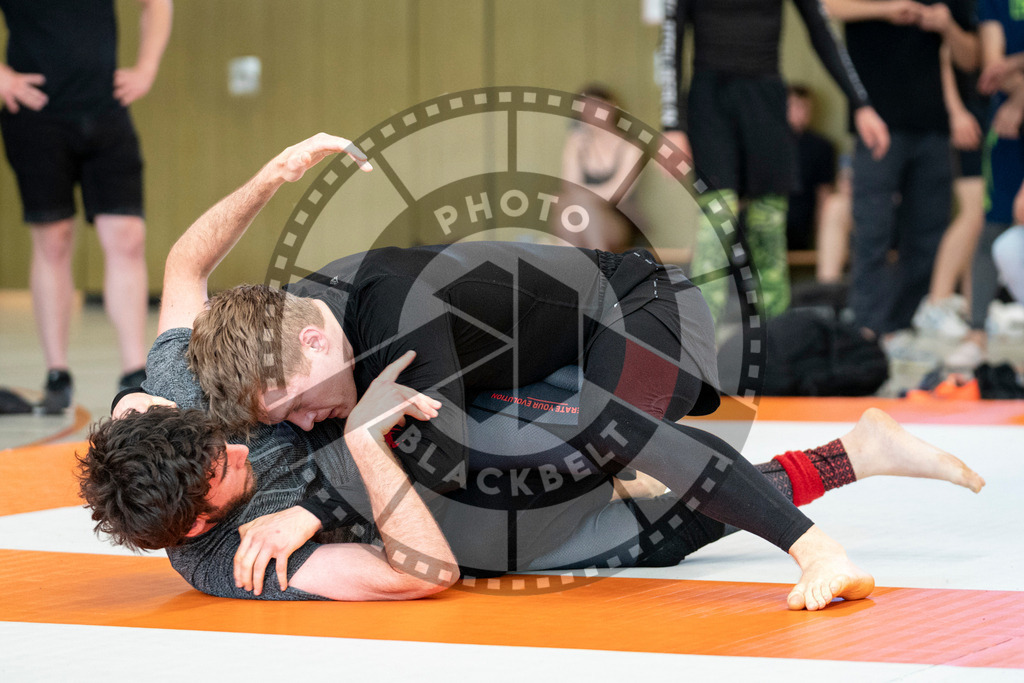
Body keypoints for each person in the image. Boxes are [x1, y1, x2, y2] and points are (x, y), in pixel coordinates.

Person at [80, 134, 984, 608]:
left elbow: (184, 270)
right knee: (654, 529)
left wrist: (269, 178)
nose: (254, 441)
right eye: (227, 471)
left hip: (581, 350)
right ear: (195, 524)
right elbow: (421, 574)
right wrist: (355, 461)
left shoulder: (194, 397)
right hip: (468, 519)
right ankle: (856, 455)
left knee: (605, 431)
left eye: (230, 437)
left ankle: (813, 538)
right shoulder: (227, 558)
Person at [659, 0, 889, 322]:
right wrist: (671, 124)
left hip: (765, 98)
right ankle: (701, 339)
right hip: (710, 102)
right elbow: (670, 41)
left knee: (768, 223)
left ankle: (775, 338)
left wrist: (860, 103)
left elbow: (821, 29)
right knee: (717, 221)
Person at [0, 0, 173, 412]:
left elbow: (157, 4)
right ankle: (56, 372)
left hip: (105, 111)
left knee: (127, 237)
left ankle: (135, 371)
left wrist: (146, 68)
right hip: (36, 114)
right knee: (54, 240)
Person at [822, 0, 978, 341]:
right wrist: (886, 9)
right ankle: (866, 329)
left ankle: (904, 326)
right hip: (876, 124)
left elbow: (970, 58)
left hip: (934, 126)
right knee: (872, 231)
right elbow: (827, 7)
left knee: (928, 234)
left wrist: (947, 25)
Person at [946, 1, 1024, 367]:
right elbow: (994, 68)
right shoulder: (996, 2)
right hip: (1007, 126)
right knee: (998, 232)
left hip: (1014, 107)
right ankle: (976, 332)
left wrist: (1020, 94)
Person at [911, 40, 988, 340]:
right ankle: (936, 302)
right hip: (965, 116)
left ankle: (974, 308)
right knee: (974, 214)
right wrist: (956, 111)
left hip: (988, 111)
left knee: (984, 221)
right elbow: (943, 57)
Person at [555, 84, 644, 253]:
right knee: (569, 209)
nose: (590, 114)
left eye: (595, 107)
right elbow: (569, 185)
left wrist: (582, 196)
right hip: (578, 217)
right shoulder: (576, 142)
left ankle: (596, 263)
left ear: (611, 107)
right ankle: (580, 265)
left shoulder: (630, 148)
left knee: (576, 203)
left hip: (617, 222)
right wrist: (575, 147)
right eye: (585, 110)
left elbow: (616, 193)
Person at [785, 84, 839, 254]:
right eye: (796, 106)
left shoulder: (821, 147)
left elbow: (824, 194)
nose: (801, 112)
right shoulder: (767, 144)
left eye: (805, 107)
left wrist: (821, 239)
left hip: (801, 221)